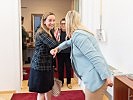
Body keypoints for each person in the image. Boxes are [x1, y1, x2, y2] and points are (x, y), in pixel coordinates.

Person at [50, 10, 113, 100]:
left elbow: (95, 57)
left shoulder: (79, 36)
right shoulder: (77, 35)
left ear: (69, 23)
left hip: (96, 78)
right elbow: (68, 43)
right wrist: (57, 48)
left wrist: (106, 77)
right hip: (94, 78)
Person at [28, 12, 58, 100]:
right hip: (40, 67)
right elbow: (54, 44)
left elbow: (51, 46)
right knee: (41, 92)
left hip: (47, 65)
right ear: (44, 21)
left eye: (54, 20)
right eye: (50, 20)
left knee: (48, 89)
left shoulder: (49, 31)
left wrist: (53, 50)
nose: (52, 22)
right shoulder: (41, 32)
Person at [54, 18, 72, 89]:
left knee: (68, 68)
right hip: (60, 53)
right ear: (60, 24)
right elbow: (55, 41)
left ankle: (69, 82)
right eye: (62, 24)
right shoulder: (57, 32)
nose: (63, 25)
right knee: (60, 68)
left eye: (65, 23)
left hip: (68, 53)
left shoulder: (70, 32)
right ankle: (61, 82)